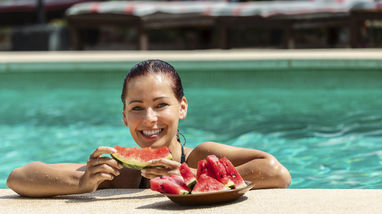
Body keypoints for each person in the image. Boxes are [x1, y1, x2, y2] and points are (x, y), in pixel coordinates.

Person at [7, 59, 291, 197]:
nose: (149, 119)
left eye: (161, 105)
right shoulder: (123, 174)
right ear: (124, 115)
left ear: (182, 107)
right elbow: (18, 177)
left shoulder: (198, 157)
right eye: (137, 108)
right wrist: (80, 183)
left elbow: (277, 172)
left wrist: (190, 177)